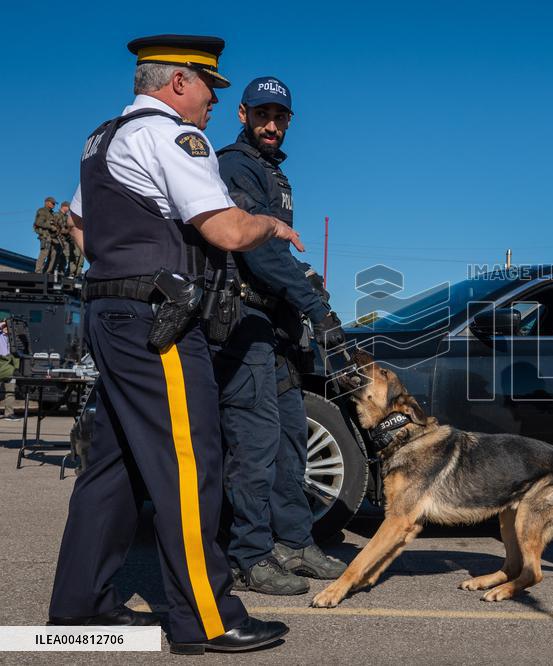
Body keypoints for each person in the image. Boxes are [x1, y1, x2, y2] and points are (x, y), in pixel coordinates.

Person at [47, 34, 303, 655]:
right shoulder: (174, 136)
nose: (212, 102)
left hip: (111, 314)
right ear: (178, 82)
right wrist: (270, 223)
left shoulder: (104, 137)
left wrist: (121, 267)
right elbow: (226, 229)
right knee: (191, 466)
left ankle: (81, 609)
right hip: (159, 322)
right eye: (208, 88)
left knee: (114, 466)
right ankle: (207, 619)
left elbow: (78, 224)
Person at [213, 76, 347, 595]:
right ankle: (248, 556)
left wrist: (305, 289)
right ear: (243, 114)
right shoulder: (235, 165)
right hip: (244, 325)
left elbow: (282, 256)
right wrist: (316, 308)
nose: (271, 125)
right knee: (255, 447)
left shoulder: (273, 172)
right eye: (262, 115)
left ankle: (294, 542)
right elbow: (259, 250)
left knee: (292, 440)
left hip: (276, 328)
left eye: (280, 117)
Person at [0, 314, 18, 421]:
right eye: (6, 326)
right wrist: (4, 324)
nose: (7, 328)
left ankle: (9, 413)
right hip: (1, 363)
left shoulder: (13, 337)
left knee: (10, 392)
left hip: (10, 366)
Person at [33, 197, 58, 273]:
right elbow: (38, 222)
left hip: (51, 236)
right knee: (44, 252)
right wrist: (51, 226)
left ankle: (47, 272)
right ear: (47, 202)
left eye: (54, 204)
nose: (53, 205)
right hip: (45, 235)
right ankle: (38, 271)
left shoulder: (51, 213)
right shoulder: (42, 211)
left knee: (53, 254)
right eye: (52, 203)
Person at [52, 201, 74, 275]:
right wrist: (65, 231)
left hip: (65, 239)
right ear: (64, 207)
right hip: (58, 238)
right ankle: (53, 270)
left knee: (65, 256)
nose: (68, 210)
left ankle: (61, 271)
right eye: (68, 208)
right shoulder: (56, 215)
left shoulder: (67, 217)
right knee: (56, 255)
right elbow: (54, 226)